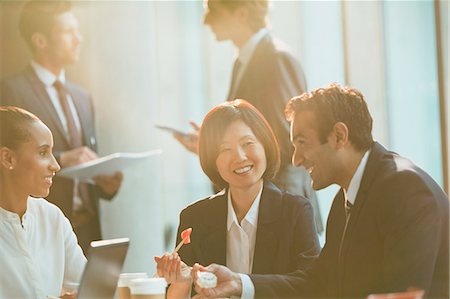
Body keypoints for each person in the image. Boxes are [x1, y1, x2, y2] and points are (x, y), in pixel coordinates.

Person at [191, 84, 449, 299]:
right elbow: (316, 282)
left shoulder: (403, 188)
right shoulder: (344, 201)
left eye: (301, 143)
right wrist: (238, 283)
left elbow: (407, 294)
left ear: (339, 136)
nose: (296, 160)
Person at [174, 0, 322, 233]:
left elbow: (287, 141)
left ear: (241, 14)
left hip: (280, 208)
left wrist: (281, 210)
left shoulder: (275, 58)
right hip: (258, 204)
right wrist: (213, 146)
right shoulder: (243, 61)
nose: (206, 21)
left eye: (213, 11)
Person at [155, 100, 320, 299]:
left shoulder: (295, 211)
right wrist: (182, 283)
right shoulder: (194, 218)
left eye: (248, 143)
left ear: (265, 146)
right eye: (225, 149)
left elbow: (311, 286)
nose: (240, 157)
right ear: (212, 160)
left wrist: (241, 285)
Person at [0, 0, 123, 251]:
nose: (78, 39)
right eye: (68, 32)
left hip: (88, 229)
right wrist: (63, 158)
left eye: (77, 31)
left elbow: (86, 163)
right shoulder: (12, 90)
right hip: (39, 228)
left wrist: (103, 181)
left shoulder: (82, 98)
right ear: (40, 40)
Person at [0, 106, 86, 298]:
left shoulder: (52, 217)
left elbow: (85, 285)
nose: (55, 165)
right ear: (8, 158)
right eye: (42, 152)